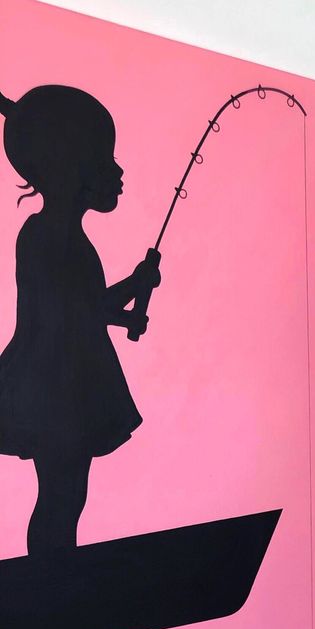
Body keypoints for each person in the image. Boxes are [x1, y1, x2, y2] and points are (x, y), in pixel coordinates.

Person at [0, 84, 161, 555]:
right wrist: (133, 287)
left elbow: (87, 311)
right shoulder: (43, 234)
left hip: (65, 384)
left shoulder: (64, 235)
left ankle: (56, 575)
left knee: (68, 494)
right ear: (73, 167)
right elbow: (76, 313)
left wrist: (129, 295)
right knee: (60, 492)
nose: (117, 171)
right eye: (104, 160)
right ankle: (48, 580)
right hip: (53, 387)